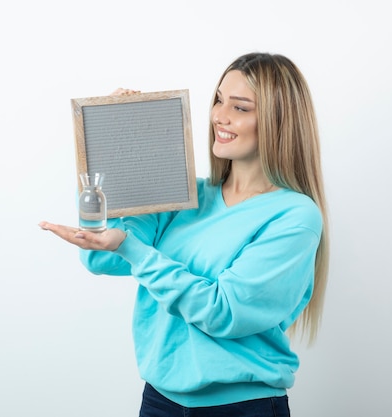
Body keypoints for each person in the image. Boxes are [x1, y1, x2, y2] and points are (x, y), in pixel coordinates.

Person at [39, 52, 329, 417]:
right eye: (219, 100)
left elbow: (224, 312)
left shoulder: (294, 216)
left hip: (241, 407)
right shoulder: (186, 195)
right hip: (160, 400)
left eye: (240, 108)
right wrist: (115, 137)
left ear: (278, 121)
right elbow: (98, 256)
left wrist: (133, 249)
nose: (219, 116)